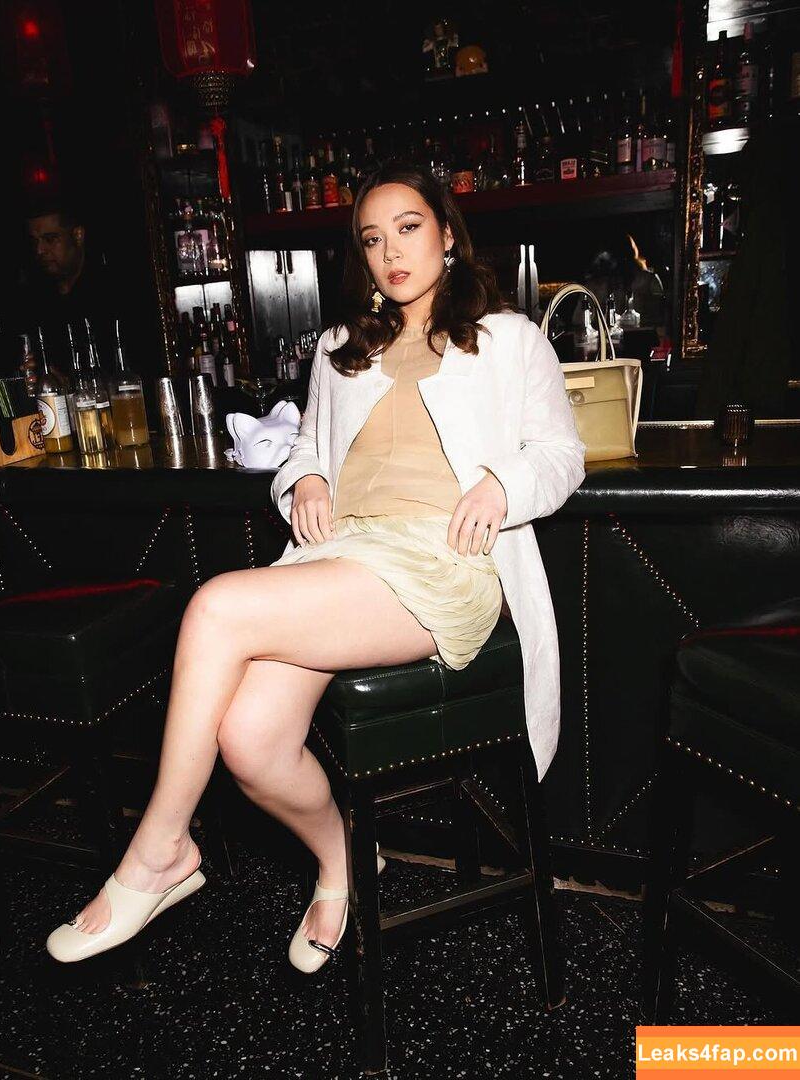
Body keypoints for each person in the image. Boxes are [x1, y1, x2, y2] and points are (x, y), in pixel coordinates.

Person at [45, 160, 586, 973]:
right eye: (371, 239)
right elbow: (303, 446)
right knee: (250, 740)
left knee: (218, 606)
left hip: (442, 558)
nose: (390, 252)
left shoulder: (509, 338)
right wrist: (303, 479)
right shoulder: (340, 346)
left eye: (408, 228)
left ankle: (159, 851)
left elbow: (560, 454)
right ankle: (344, 865)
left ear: (446, 234)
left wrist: (502, 484)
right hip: (343, 554)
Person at [12, 196, 115, 377]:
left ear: (78, 235)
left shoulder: (111, 291)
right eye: (34, 241)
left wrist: (69, 382)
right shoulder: (34, 299)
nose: (40, 250)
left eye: (50, 239)